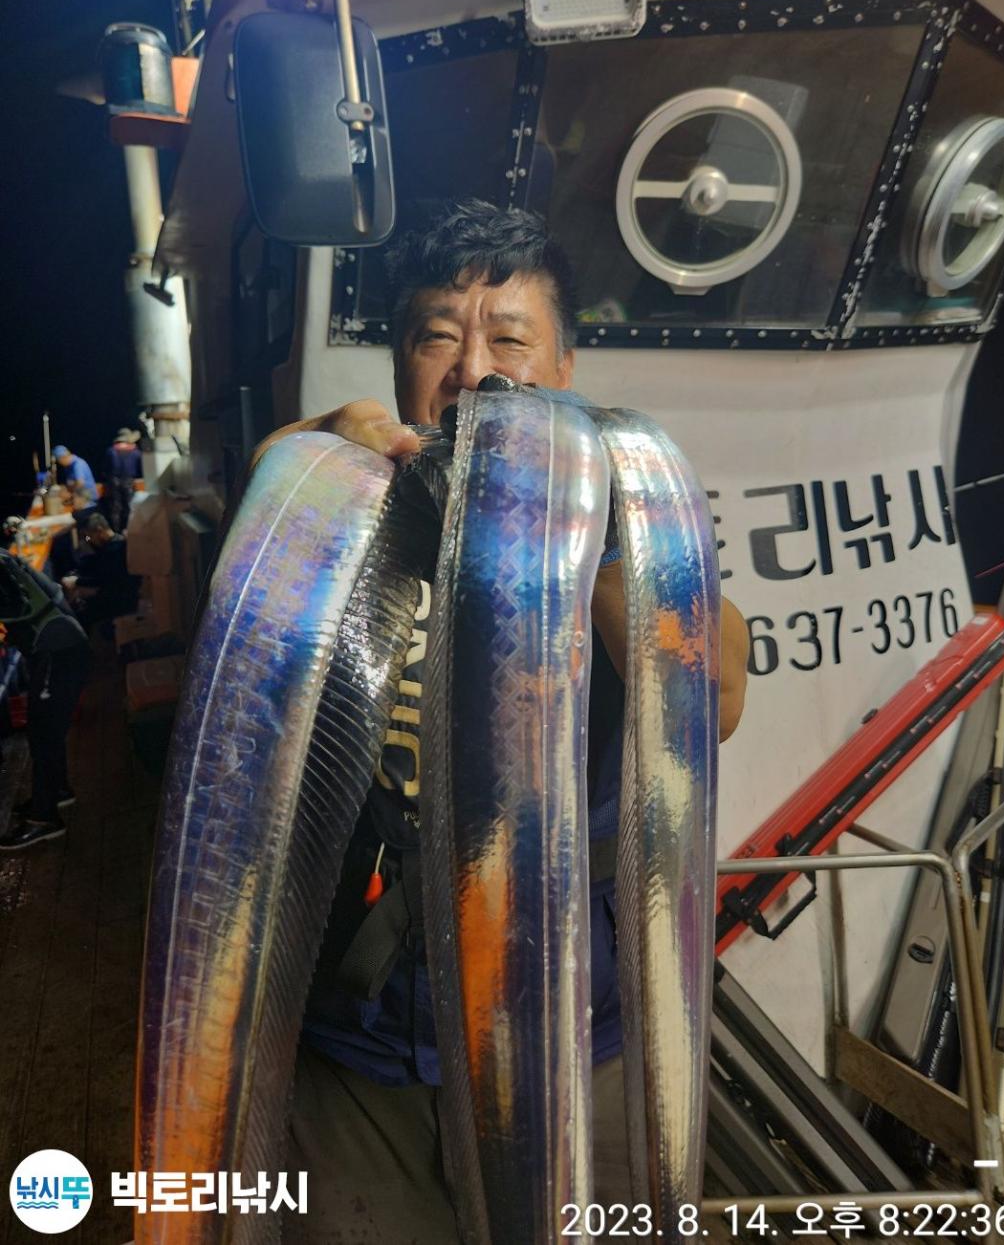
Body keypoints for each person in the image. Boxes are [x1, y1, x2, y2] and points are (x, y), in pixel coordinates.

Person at [251, 201, 750, 1242]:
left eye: (509, 340)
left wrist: (592, 533)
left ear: (564, 368)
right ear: (400, 365)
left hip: (578, 1043)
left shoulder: (622, 515)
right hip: (363, 1056)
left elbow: (718, 695)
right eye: (437, 337)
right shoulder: (347, 504)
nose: (472, 371)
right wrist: (303, 450)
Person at [0, 543, 90, 851]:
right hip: (57, 646)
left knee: (44, 732)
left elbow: (15, 604)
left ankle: (44, 818)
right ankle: (57, 791)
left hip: (58, 651)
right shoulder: (4, 558)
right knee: (43, 730)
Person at [61, 513, 141, 630]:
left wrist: (76, 582)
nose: (89, 540)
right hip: (116, 592)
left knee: (80, 616)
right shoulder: (115, 541)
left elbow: (102, 580)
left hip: (119, 600)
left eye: (90, 536)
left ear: (99, 530)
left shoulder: (115, 551)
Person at [102, 427, 143, 532]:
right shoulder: (136, 452)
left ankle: (116, 531)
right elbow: (140, 468)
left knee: (115, 507)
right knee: (129, 506)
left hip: (113, 482)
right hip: (129, 482)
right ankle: (129, 529)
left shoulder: (111, 451)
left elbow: (106, 469)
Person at [53, 444, 98, 517]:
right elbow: (70, 483)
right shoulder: (68, 466)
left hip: (88, 499)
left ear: (63, 458)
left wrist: (70, 494)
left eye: (59, 461)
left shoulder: (78, 464)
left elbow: (80, 483)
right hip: (79, 496)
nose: (60, 464)